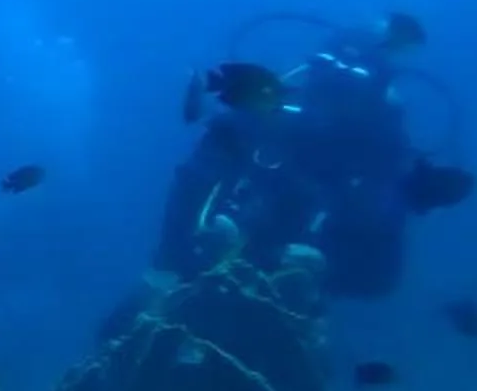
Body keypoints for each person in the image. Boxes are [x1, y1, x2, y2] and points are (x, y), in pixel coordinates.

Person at [153, 32, 435, 297]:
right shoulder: (262, 116)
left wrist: (321, 267)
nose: (336, 99)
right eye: (330, 80)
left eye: (350, 88)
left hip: (296, 302)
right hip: (206, 275)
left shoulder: (383, 152)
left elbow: (381, 278)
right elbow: (192, 184)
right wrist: (183, 255)